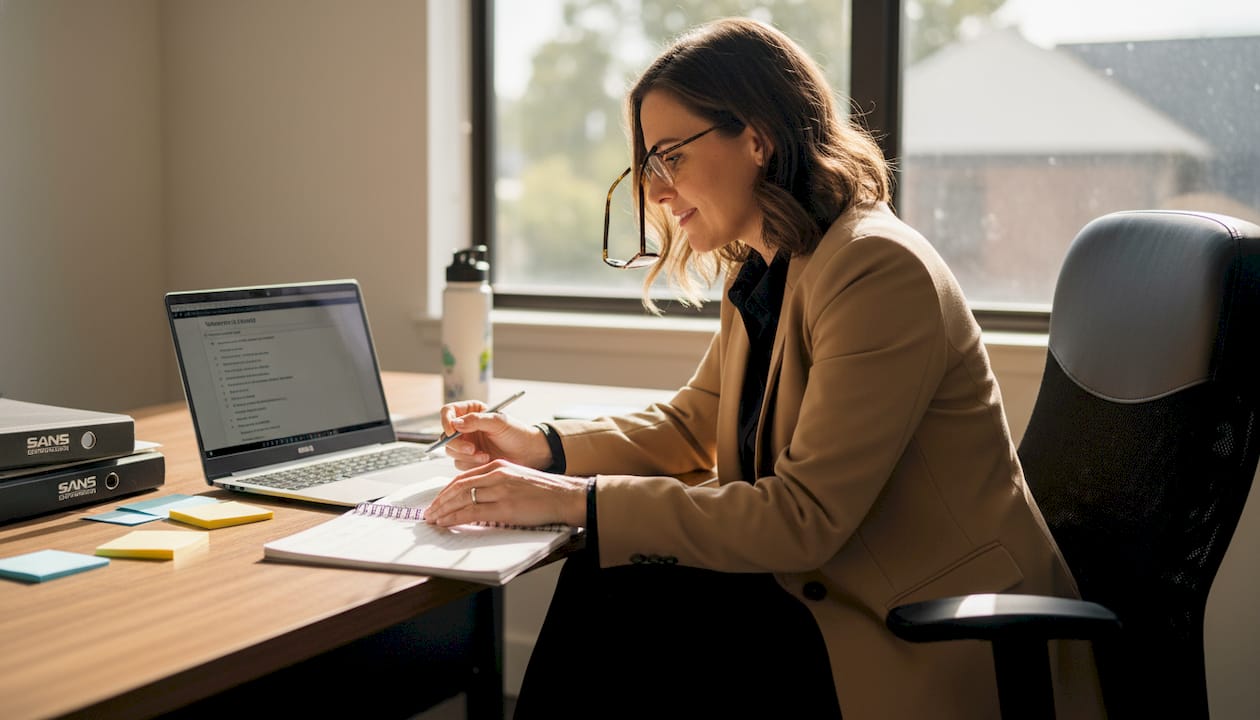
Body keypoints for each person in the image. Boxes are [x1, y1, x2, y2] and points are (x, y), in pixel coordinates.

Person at [423, 17, 1103, 720]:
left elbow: (804, 517)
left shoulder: (876, 269)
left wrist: (574, 501)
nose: (655, 192)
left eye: (670, 158)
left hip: (916, 627)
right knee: (615, 588)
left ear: (756, 136)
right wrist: (544, 447)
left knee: (615, 590)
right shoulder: (771, 262)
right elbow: (694, 424)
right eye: (646, 166)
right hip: (828, 589)